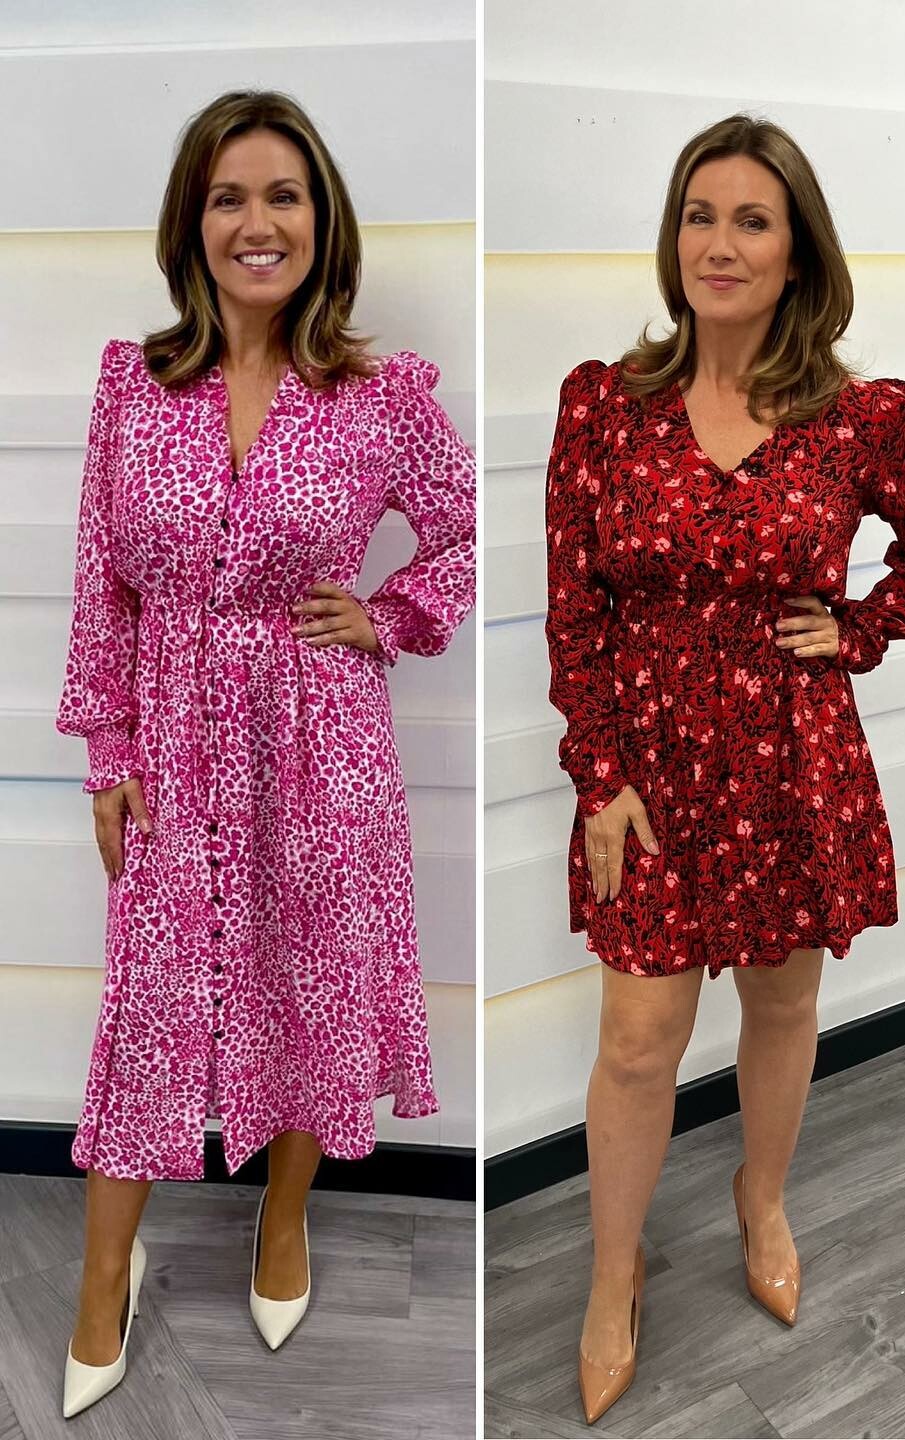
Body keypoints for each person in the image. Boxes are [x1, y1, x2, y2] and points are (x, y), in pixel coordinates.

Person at [53, 90, 476, 1420]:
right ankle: (102, 1276)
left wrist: (391, 615)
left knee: (309, 984)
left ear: (320, 220)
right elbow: (102, 588)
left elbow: (466, 533)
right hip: (175, 744)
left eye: (282, 195)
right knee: (150, 1008)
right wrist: (108, 751)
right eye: (228, 196)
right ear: (193, 222)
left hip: (322, 744)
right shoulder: (135, 387)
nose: (257, 222)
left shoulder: (379, 398)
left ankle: (283, 1217)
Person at [543, 113, 905, 1425]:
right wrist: (597, 774)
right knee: (638, 1039)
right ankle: (614, 1271)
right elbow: (575, 610)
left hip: (791, 757)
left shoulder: (857, 420)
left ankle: (759, 1196)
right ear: (674, 241)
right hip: (649, 769)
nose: (719, 244)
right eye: (699, 216)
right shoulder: (605, 407)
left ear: (798, 254)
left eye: (752, 221)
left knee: (782, 1005)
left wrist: (861, 629)